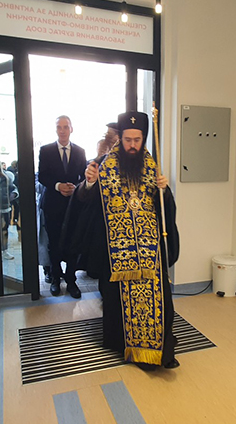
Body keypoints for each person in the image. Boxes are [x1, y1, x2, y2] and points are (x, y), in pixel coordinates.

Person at [75, 111, 180, 369]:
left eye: (137, 140)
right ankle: (124, 345)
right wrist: (89, 183)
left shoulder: (152, 166)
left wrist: (164, 192)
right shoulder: (103, 165)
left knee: (159, 299)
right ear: (120, 138)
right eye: (128, 140)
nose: (132, 145)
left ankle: (161, 350)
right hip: (117, 252)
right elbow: (84, 199)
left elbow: (164, 208)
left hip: (149, 251)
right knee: (117, 303)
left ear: (144, 139)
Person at [38, 115, 86, 298]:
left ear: (71, 129)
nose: (63, 130)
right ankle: (56, 279)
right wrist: (58, 186)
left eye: (66, 127)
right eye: (59, 127)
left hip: (73, 205)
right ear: (56, 129)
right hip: (53, 204)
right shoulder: (46, 150)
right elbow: (42, 176)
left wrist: (76, 188)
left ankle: (71, 281)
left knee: (74, 243)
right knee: (54, 244)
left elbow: (83, 177)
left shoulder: (80, 151)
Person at [0, 158, 16, 260]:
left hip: (5, 207)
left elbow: (13, 188)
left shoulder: (7, 177)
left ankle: (4, 250)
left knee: (4, 230)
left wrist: (14, 194)